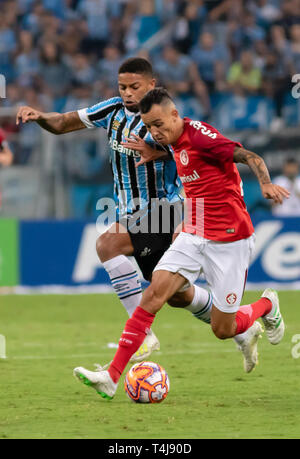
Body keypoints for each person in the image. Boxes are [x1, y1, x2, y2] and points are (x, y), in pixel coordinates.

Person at [73, 88, 290, 400]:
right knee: (154, 295)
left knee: (223, 329)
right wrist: (153, 148)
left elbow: (249, 156)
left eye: (159, 124)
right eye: (149, 126)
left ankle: (267, 305)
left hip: (230, 239)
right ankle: (111, 377)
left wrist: (266, 182)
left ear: (175, 115)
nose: (154, 132)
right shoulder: (167, 138)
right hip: (193, 231)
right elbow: (169, 148)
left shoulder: (201, 136)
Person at [16, 58, 219, 364]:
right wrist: (40, 116)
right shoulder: (111, 110)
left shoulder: (164, 117)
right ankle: (242, 325)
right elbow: (62, 123)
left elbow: (192, 153)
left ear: (152, 85)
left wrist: (160, 152)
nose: (127, 93)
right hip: (132, 214)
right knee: (178, 295)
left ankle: (141, 336)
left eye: (134, 87)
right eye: (122, 86)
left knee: (106, 244)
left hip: (167, 209)